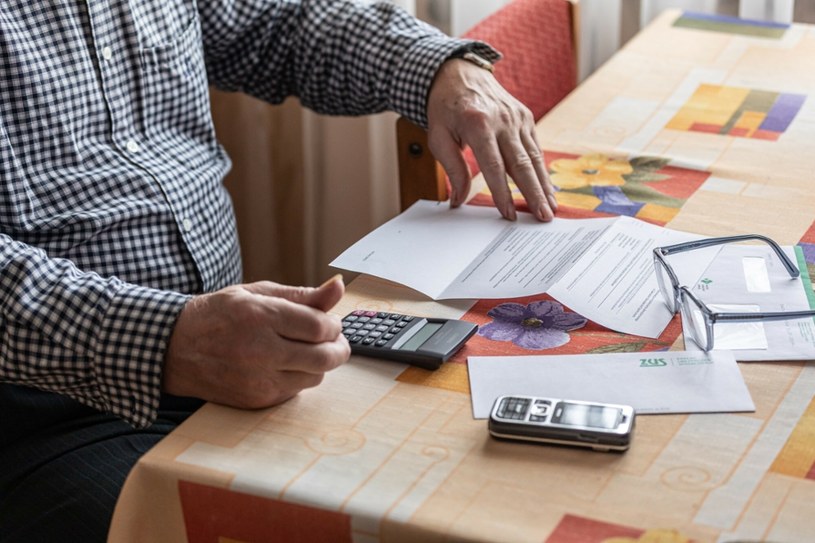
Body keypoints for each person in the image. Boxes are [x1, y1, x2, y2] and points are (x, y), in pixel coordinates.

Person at [0, 0, 557, 540]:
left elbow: (273, 22)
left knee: (458, 479)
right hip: (48, 414)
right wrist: (166, 339)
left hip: (229, 360)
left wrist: (439, 69)